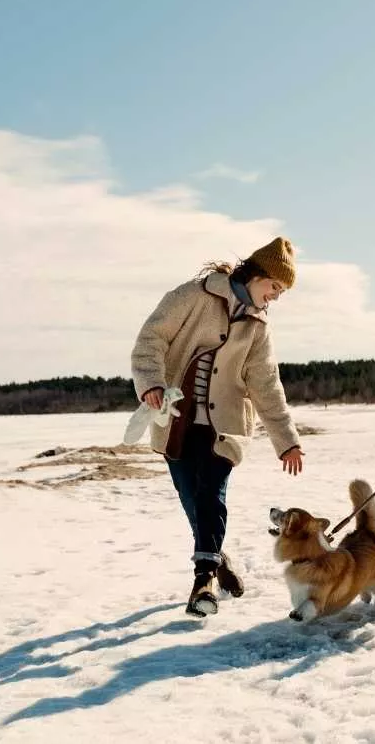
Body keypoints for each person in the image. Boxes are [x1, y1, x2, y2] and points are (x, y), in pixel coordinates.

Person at [131, 236, 305, 616]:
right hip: (175, 422)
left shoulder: (258, 328)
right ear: (257, 275)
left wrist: (286, 440)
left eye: (281, 291)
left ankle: (203, 582)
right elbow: (150, 339)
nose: (275, 296)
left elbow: (266, 385)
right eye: (274, 287)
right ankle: (217, 558)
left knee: (212, 495)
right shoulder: (193, 296)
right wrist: (152, 383)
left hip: (222, 426)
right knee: (194, 504)